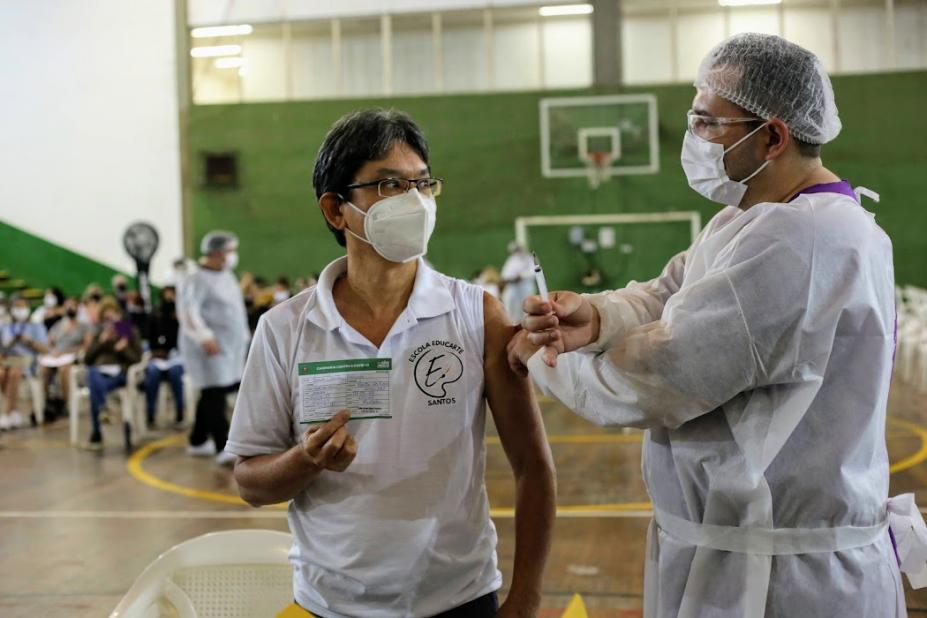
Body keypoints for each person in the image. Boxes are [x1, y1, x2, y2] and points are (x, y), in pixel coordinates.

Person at [508, 33, 917, 618]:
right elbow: (672, 290)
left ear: (773, 136)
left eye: (708, 121)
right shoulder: (758, 219)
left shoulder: (799, 240)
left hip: (781, 581)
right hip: (754, 556)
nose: (694, 136)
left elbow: (658, 375)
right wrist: (595, 319)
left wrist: (541, 356)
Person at [227, 108, 556, 618]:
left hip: (459, 598)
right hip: (331, 604)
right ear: (336, 211)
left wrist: (527, 596)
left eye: (423, 184)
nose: (415, 201)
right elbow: (250, 482)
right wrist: (306, 460)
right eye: (389, 185)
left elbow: (533, 467)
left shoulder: (475, 313)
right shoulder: (285, 329)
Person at [177, 230, 249, 466]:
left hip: (229, 346)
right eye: (230, 251)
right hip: (209, 347)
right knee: (214, 392)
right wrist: (204, 337)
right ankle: (223, 446)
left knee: (213, 391)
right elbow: (189, 312)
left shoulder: (226, 274)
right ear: (217, 253)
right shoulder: (195, 277)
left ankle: (197, 440)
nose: (233, 256)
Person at [82, 297, 142, 449]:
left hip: (119, 373)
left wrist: (123, 348)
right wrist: (100, 342)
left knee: (94, 385)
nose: (109, 322)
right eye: (105, 318)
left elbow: (137, 359)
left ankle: (96, 434)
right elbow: (87, 359)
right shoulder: (99, 333)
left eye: (111, 317)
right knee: (92, 374)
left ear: (118, 315)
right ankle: (104, 407)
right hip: (100, 373)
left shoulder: (127, 330)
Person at [39, 296, 93, 422]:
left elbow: (87, 345)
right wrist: (52, 352)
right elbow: (49, 341)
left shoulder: (84, 326)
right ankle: (48, 401)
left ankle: (66, 402)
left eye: (72, 305)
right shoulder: (59, 324)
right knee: (44, 369)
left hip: (72, 356)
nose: (70, 308)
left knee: (64, 369)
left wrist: (67, 352)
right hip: (56, 355)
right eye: (67, 305)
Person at [0, 296, 48, 429]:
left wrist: (29, 341)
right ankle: (13, 411)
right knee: (2, 373)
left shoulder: (36, 326)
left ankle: (6, 412)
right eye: (17, 307)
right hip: (8, 360)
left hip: (28, 362)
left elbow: (45, 350)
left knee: (15, 371)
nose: (19, 310)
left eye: (22, 306)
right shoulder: (6, 326)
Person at [142, 285, 184, 429]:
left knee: (176, 373)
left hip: (175, 357)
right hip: (158, 357)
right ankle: (150, 413)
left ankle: (180, 411)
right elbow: (149, 337)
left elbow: (182, 341)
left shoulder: (181, 316)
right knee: (152, 373)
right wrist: (157, 352)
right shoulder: (155, 315)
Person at [500, 242, 535, 323]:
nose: (517, 252)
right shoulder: (511, 259)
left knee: (526, 305)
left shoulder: (529, 258)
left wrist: (521, 276)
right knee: (510, 303)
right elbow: (504, 274)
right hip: (513, 286)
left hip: (525, 286)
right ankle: (512, 323)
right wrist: (510, 278)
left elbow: (533, 271)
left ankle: (527, 323)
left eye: (518, 249)